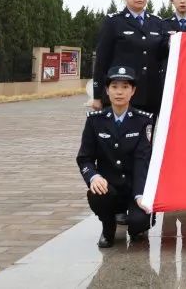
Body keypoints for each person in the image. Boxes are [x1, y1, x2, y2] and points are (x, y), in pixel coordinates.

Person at [77, 66, 154, 247]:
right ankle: (107, 227)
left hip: (133, 188)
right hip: (109, 187)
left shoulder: (143, 121)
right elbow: (84, 158)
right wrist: (93, 176)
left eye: (125, 87)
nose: (119, 92)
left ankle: (137, 228)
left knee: (139, 221)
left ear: (133, 91)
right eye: (114, 87)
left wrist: (140, 195)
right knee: (97, 193)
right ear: (107, 90)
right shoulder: (95, 121)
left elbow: (142, 160)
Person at [92, 0, 167, 115]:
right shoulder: (113, 22)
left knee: (147, 135)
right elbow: (102, 61)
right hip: (122, 95)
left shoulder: (157, 22)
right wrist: (97, 95)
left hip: (151, 95)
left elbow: (163, 54)